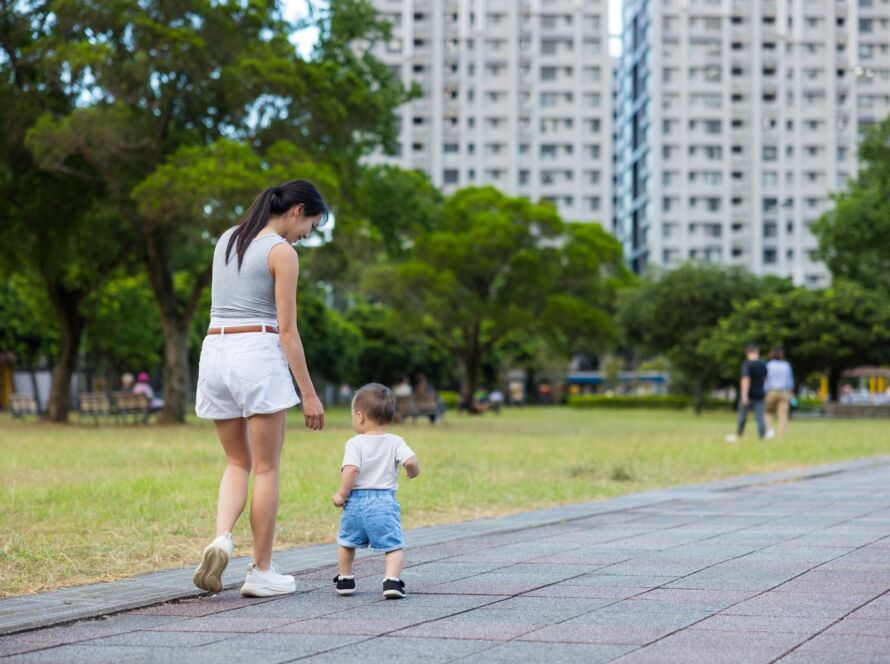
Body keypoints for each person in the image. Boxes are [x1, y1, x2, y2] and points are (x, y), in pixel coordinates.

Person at [192, 180, 327, 597]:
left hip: (215, 350)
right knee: (266, 467)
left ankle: (221, 539)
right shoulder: (281, 252)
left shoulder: (227, 239)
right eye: (310, 225)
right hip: (255, 351)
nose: (306, 235)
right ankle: (261, 571)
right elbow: (288, 332)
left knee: (237, 462)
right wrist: (309, 393)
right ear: (296, 210)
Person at [332, 383, 420, 599]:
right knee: (393, 546)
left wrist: (342, 494)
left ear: (360, 416)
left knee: (346, 542)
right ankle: (391, 581)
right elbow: (411, 461)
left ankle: (345, 579)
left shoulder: (355, 443)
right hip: (383, 503)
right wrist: (411, 471)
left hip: (355, 503)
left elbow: (351, 470)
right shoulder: (395, 441)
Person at [726, 344, 768, 443]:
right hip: (760, 394)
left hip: (749, 395)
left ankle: (739, 435)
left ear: (747, 353)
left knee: (742, 417)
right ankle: (762, 437)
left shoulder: (747, 364)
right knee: (760, 417)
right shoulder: (763, 364)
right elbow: (766, 379)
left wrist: (744, 395)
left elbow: (745, 380)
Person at [765, 348, 794, 439]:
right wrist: (790, 393)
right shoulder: (786, 365)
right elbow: (790, 381)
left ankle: (769, 430)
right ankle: (780, 435)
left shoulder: (768, 365)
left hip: (771, 391)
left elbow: (766, 380)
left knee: (767, 411)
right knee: (782, 414)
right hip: (784, 391)